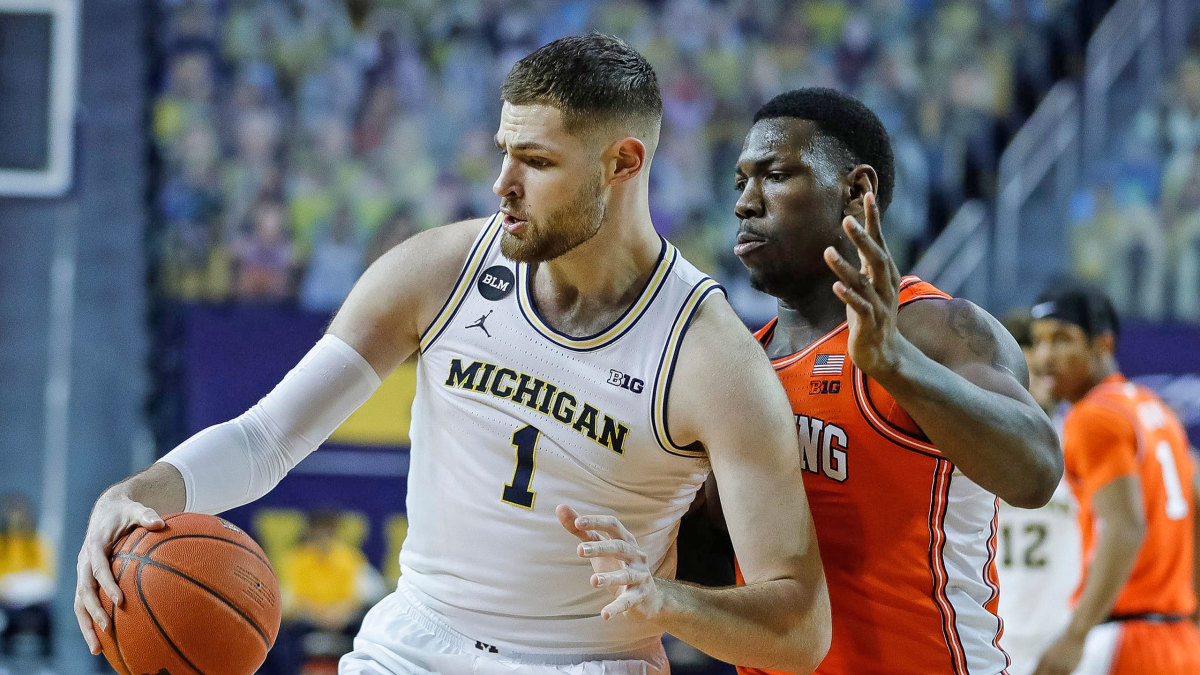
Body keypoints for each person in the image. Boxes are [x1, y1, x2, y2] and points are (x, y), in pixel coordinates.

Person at [76, 35, 831, 675]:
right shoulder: (441, 268)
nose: (502, 184)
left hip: (584, 660)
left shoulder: (710, 354)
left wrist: (668, 601)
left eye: (535, 162)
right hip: (413, 643)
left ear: (623, 162)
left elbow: (799, 624)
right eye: (504, 151)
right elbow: (268, 437)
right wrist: (138, 492)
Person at [727, 88, 1062, 674]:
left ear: (857, 191)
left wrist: (893, 364)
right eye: (740, 183)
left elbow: (1036, 471)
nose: (746, 204)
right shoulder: (739, 362)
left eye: (776, 175)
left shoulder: (935, 327)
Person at [1029, 288, 1200, 675]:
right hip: (1181, 639)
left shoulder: (1093, 417)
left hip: (1126, 640)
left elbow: (1124, 527)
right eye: (1038, 341)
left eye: (1062, 339)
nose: (1045, 357)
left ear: (1102, 344)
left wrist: (1075, 634)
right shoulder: (1155, 408)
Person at [995, 310, 1080, 675]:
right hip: (996, 638)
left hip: (1064, 639)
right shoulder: (977, 443)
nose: (1045, 374)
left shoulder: (1081, 434)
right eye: (1034, 363)